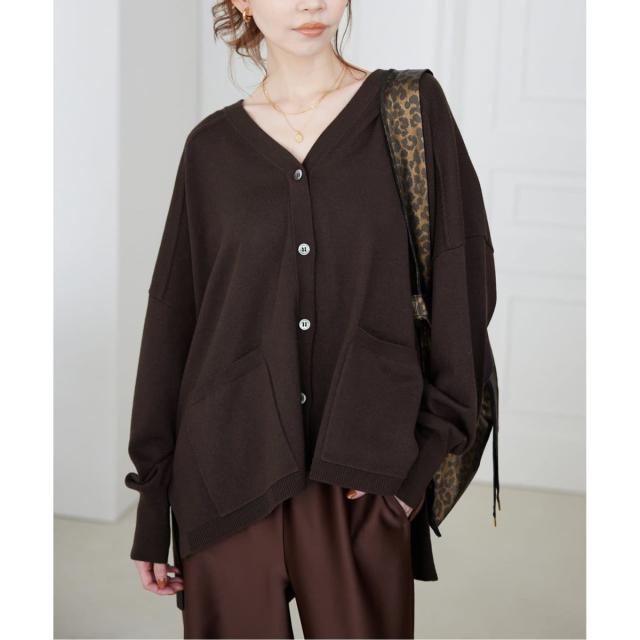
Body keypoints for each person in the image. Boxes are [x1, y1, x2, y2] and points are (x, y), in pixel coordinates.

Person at [124, 1, 497, 638]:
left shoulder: (409, 112)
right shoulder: (210, 150)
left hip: (362, 478)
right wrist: (155, 502)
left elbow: (462, 290)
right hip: (226, 477)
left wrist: (412, 469)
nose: (310, 3)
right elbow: (173, 324)